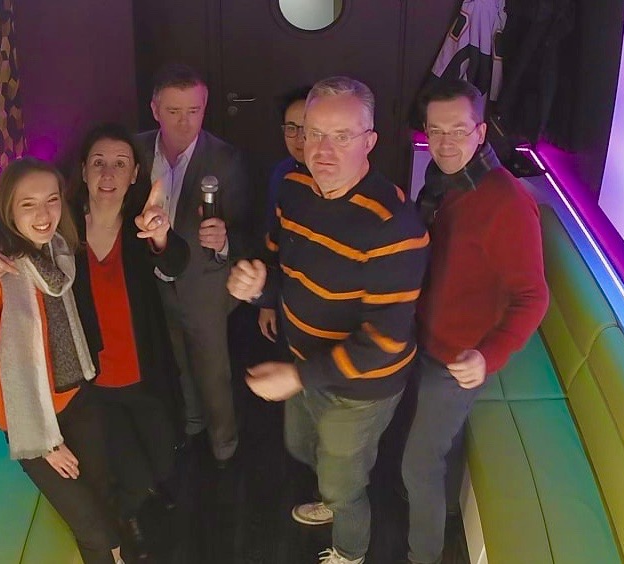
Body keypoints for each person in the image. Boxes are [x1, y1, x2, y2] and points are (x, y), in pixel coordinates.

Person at [227, 76, 430, 564]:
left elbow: (382, 343)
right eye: (314, 133)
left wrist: (297, 376)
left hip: (360, 387)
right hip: (304, 364)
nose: (323, 150)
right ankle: (333, 492)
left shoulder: (394, 225)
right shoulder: (294, 187)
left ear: (369, 142)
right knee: (303, 447)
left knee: (344, 481)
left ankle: (349, 548)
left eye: (342, 136)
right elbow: (282, 270)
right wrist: (257, 287)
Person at [0, 125, 189, 559]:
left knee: (149, 470)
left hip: (121, 380)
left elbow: (175, 261)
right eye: (98, 162)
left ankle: (128, 536)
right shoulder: (49, 242)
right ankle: (122, 542)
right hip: (86, 389)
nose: (108, 173)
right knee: (104, 506)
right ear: (82, 171)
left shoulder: (81, 242)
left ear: (135, 173)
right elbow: (2, 238)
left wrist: (160, 234)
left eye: (120, 164)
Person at [401, 78, 549, 564]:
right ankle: (440, 510)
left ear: (481, 132)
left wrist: (487, 357)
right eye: (435, 131)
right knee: (434, 453)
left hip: (458, 357)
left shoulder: (507, 202)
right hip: (425, 336)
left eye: (458, 130)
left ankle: (423, 555)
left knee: (417, 464)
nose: (445, 143)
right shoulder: (442, 182)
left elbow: (533, 297)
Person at [0, 157, 125, 564]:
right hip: (30, 423)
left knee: (106, 496)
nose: (44, 214)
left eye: (51, 200)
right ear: (8, 209)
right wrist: (47, 444)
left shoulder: (57, 252)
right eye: (28, 204)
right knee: (91, 525)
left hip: (76, 397)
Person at [137, 63, 251, 466]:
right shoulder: (133, 151)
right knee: (175, 359)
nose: (184, 123)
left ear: (205, 108)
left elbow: (245, 227)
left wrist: (225, 240)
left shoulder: (226, 159)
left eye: (194, 111)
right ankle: (191, 424)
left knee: (212, 368)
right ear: (155, 109)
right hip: (151, 279)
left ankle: (225, 446)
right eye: (173, 112)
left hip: (203, 282)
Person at [257, 85, 311, 349]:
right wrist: (267, 302)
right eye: (291, 128)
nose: (299, 138)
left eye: (306, 128)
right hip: (287, 292)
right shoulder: (282, 173)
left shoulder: (339, 177)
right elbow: (272, 235)